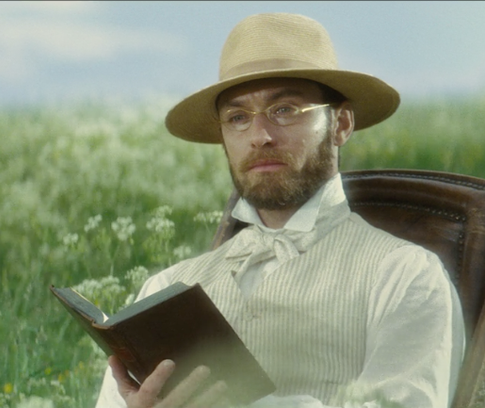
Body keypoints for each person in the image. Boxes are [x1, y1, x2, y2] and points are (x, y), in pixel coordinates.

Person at [94, 13, 465, 408]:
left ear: (340, 124)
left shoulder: (405, 275)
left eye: (285, 110)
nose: (260, 137)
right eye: (238, 118)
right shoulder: (165, 290)